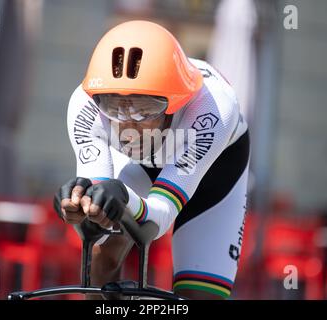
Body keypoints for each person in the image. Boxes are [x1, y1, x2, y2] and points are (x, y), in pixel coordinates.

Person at [54, 20, 250, 300]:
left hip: (216, 171)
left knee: (197, 296)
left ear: (177, 103)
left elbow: (159, 217)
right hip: (144, 164)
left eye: (145, 108)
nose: (126, 125)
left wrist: (121, 195)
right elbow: (98, 214)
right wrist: (79, 204)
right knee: (102, 253)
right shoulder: (84, 105)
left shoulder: (214, 109)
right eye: (114, 107)